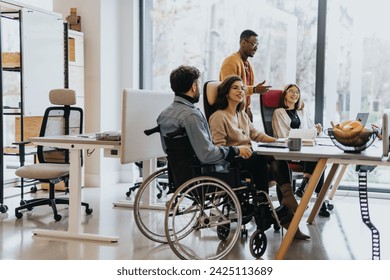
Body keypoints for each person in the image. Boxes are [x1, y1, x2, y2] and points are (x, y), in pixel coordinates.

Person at [209, 75, 310, 240]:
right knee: (264, 158)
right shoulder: (218, 116)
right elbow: (218, 147)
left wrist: (278, 142)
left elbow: (256, 134)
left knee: (278, 156)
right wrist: (238, 149)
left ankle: (286, 202)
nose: (240, 91)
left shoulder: (241, 114)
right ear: (226, 92)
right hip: (234, 161)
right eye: (235, 87)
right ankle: (281, 205)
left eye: (242, 88)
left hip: (250, 159)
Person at [157, 65, 252, 187]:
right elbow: (207, 155)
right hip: (204, 175)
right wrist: (237, 150)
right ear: (194, 87)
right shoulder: (191, 116)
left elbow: (166, 150)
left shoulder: (164, 115)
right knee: (256, 160)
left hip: (180, 174)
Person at [272, 83, 330, 217]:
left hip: (305, 150)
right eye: (291, 91)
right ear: (285, 95)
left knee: (319, 158)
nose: (295, 94)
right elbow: (282, 135)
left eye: (297, 92)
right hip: (289, 151)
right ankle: (318, 201)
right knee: (317, 161)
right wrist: (308, 132)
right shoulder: (278, 112)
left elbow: (311, 131)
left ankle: (304, 186)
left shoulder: (302, 111)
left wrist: (317, 130)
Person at [219, 29, 271, 121]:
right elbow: (230, 89)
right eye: (254, 44)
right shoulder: (230, 62)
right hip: (230, 114)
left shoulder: (248, 65)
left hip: (242, 113)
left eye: (257, 45)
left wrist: (248, 108)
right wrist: (254, 89)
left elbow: (246, 92)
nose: (256, 48)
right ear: (243, 43)